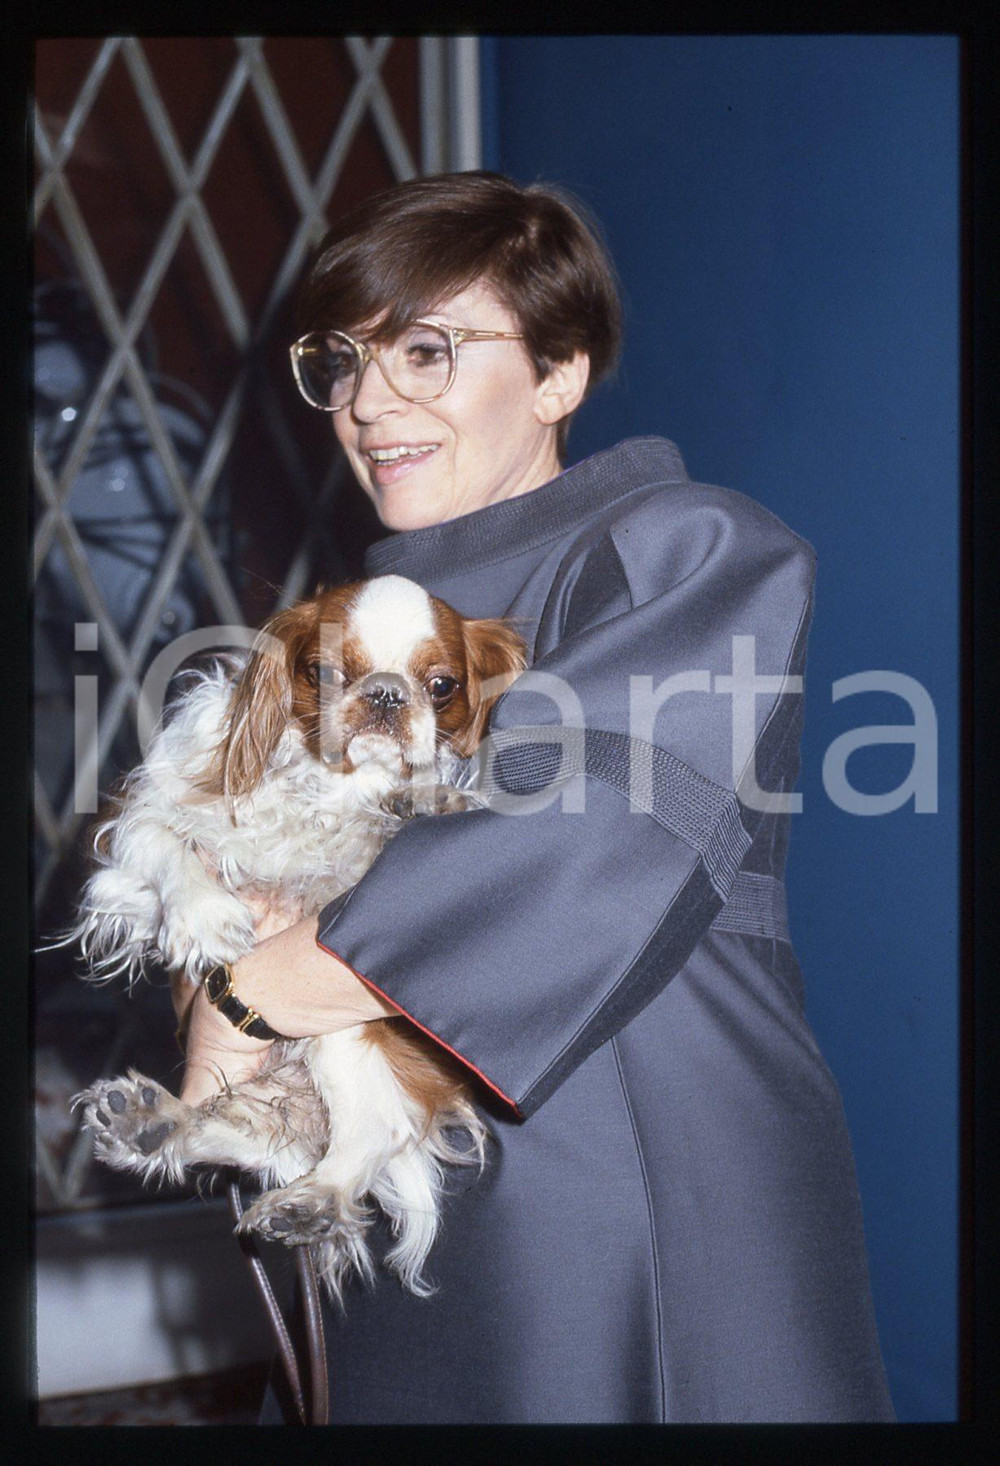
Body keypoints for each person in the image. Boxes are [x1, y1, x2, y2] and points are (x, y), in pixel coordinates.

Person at [176, 171, 896, 1424]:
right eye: (341, 362)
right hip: (425, 1185)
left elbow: (586, 827)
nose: (368, 402)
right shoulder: (364, 630)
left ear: (561, 374)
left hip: (632, 1188)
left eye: (425, 350)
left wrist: (257, 988)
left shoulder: (682, 544)